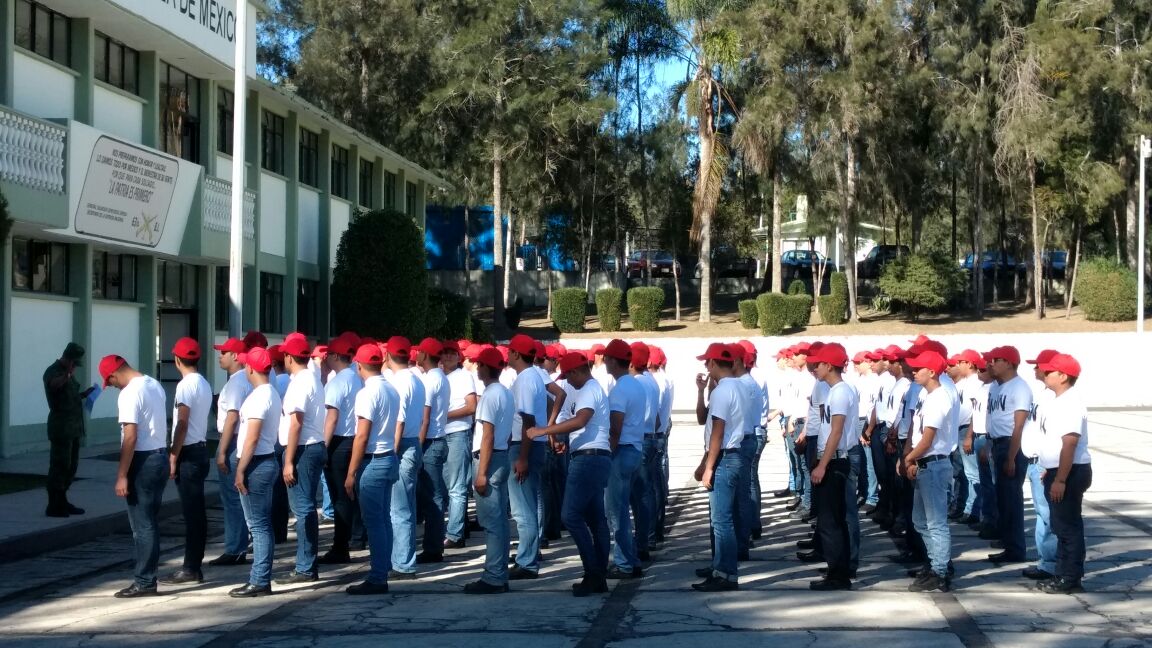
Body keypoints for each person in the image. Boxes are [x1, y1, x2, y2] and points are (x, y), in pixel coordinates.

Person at [526, 351, 613, 597]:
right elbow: (579, 422)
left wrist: (545, 430)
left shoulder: (589, 390)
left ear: (576, 372)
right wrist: (563, 438)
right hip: (593, 456)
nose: (568, 382)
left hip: (589, 458)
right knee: (595, 519)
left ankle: (593, 572)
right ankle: (598, 575)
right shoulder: (589, 389)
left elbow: (581, 420)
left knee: (571, 516)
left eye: (568, 376)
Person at [100, 355, 168, 598]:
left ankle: (145, 581)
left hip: (143, 461)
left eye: (110, 382)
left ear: (114, 374)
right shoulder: (153, 384)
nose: (113, 387)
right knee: (150, 521)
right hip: (160, 456)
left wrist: (122, 475)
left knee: (142, 525)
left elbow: (130, 436)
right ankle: (148, 576)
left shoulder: (129, 393)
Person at [343, 344, 400, 595]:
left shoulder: (367, 393)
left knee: (374, 522)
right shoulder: (390, 388)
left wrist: (351, 472)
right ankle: (383, 568)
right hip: (388, 457)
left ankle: (378, 577)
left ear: (359, 365)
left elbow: (362, 435)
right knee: (383, 519)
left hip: (374, 460)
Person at [691, 343, 746, 592]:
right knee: (723, 519)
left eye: (707, 362)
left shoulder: (723, 391)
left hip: (724, 457)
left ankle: (725, 573)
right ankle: (721, 569)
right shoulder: (738, 386)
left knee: (721, 521)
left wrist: (709, 466)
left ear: (713, 363)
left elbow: (718, 431)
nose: (706, 367)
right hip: (732, 455)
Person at [1035, 353, 1092, 594]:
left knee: (1067, 528)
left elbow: (1069, 444)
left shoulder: (1070, 403)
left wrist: (1060, 478)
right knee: (1061, 527)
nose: (1044, 374)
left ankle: (1069, 578)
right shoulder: (1058, 400)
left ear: (1063, 376)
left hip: (1070, 472)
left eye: (1049, 371)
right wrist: (1049, 469)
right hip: (1059, 470)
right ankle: (1062, 574)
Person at [903, 350, 958, 592]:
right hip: (925, 463)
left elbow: (927, 440)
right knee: (920, 521)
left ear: (933, 372)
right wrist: (913, 459)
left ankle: (940, 571)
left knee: (936, 523)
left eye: (919, 369)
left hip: (934, 463)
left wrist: (909, 458)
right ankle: (935, 564)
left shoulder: (939, 398)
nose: (914, 372)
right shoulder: (927, 395)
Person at [806, 343, 858, 591]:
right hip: (832, 458)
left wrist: (822, 465)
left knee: (830, 522)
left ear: (829, 365)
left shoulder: (839, 392)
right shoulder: (833, 391)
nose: (814, 368)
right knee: (833, 520)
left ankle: (838, 575)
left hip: (835, 460)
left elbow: (836, 432)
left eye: (818, 364)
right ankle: (837, 570)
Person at [160, 338, 213, 585]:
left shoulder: (184, 386)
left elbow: (182, 423)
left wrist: (173, 454)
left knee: (192, 514)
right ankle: (194, 564)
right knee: (197, 512)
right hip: (200, 449)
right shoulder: (203, 383)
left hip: (189, 453)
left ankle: (191, 567)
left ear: (177, 360)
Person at [229, 347, 281, 598]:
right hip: (264, 460)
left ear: (250, 368)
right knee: (261, 524)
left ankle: (260, 579)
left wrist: (240, 469)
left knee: (258, 525)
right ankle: (260, 578)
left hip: (256, 464)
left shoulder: (260, 397)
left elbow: (252, 437)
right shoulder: (270, 392)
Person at [276, 335, 328, 584]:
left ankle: (306, 567)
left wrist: (288, 460)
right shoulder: (311, 378)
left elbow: (295, 423)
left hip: (303, 449)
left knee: (303, 508)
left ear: (288, 357)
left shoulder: (300, 383)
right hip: (312, 446)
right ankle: (307, 564)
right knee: (305, 507)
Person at [464, 347, 515, 594]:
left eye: (479, 364)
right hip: (501, 455)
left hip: (490, 459)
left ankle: (494, 576)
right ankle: (499, 572)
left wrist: (481, 473)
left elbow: (487, 436)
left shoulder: (490, 396)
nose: (476, 368)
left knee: (492, 523)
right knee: (500, 521)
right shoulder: (505, 393)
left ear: (485, 368)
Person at [600, 339, 646, 579]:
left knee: (616, 512)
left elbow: (615, 428)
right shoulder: (636, 385)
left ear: (612, 360)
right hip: (635, 449)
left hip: (621, 451)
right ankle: (631, 558)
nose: (603, 362)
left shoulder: (619, 390)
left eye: (606, 358)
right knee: (624, 510)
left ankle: (624, 563)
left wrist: (607, 453)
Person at [506, 334, 549, 580]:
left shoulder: (525, 379)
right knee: (527, 506)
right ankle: (528, 556)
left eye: (509, 351)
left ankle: (527, 562)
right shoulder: (533, 376)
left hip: (525, 446)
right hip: (532, 445)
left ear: (515, 354)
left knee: (523, 510)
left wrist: (522, 457)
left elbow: (528, 420)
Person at [319, 335, 364, 565]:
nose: (325, 358)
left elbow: (332, 417)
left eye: (328, 354)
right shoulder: (356, 378)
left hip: (338, 441)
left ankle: (340, 546)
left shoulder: (338, 382)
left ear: (336, 356)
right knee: (348, 494)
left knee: (340, 497)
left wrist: (323, 446)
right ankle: (353, 538)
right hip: (352, 439)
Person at [384, 336, 426, 579]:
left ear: (388, 356)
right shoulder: (415, 379)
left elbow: (398, 422)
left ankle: (403, 563)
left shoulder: (400, 382)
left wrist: (391, 452)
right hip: (412, 442)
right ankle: (403, 558)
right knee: (406, 506)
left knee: (399, 509)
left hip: (402, 445)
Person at [986, 345, 1032, 564]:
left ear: (1010, 363)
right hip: (998, 443)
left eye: (997, 360)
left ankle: (1016, 548)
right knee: (1002, 499)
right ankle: (1008, 542)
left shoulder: (1019, 387)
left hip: (1011, 445)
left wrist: (1012, 457)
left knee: (1011, 499)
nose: (992, 364)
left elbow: (1019, 425)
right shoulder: (996, 387)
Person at [210, 337, 252, 565]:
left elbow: (232, 417)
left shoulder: (237, 382)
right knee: (239, 497)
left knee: (232, 498)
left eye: (224, 352)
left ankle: (235, 547)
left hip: (233, 440)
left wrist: (222, 451)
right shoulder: (245, 379)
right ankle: (239, 545)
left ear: (235, 356)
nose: (220, 356)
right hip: (239, 439)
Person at [43, 342, 93, 517]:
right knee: (59, 465)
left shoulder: (68, 373)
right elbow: (54, 385)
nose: (75, 367)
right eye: (74, 363)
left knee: (71, 466)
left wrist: (85, 394)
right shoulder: (54, 371)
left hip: (74, 428)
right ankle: (53, 504)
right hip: (61, 428)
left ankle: (62, 500)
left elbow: (70, 396)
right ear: (69, 359)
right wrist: (67, 373)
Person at [1021, 349, 1059, 582]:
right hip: (1034, 462)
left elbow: (1055, 435)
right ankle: (1046, 561)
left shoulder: (1055, 398)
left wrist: (1048, 464)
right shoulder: (1043, 394)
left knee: (1048, 515)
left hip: (1043, 463)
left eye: (1038, 365)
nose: (1035, 369)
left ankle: (1051, 564)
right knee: (1042, 513)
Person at [415, 337, 451, 563]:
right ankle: (433, 544)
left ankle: (433, 548)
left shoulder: (430, 380)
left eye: (419, 351)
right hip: (437, 440)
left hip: (430, 442)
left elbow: (425, 419)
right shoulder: (441, 377)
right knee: (433, 495)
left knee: (433, 497)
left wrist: (417, 448)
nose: (416, 354)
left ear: (425, 355)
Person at [442, 340, 478, 550]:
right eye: (445, 353)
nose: (448, 356)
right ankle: (457, 527)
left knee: (457, 487)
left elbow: (471, 406)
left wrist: (444, 416)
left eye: (452, 353)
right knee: (447, 486)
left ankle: (455, 534)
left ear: (458, 356)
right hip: (441, 434)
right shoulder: (437, 376)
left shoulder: (463, 376)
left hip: (457, 432)